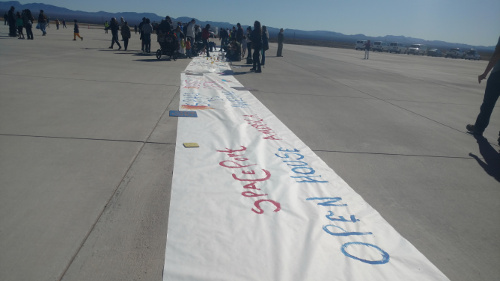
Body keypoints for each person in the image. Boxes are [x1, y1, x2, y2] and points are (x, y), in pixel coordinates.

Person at [466, 35, 500, 145]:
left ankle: (479, 128)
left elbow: (497, 54)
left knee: (488, 104)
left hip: (497, 76)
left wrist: (485, 73)